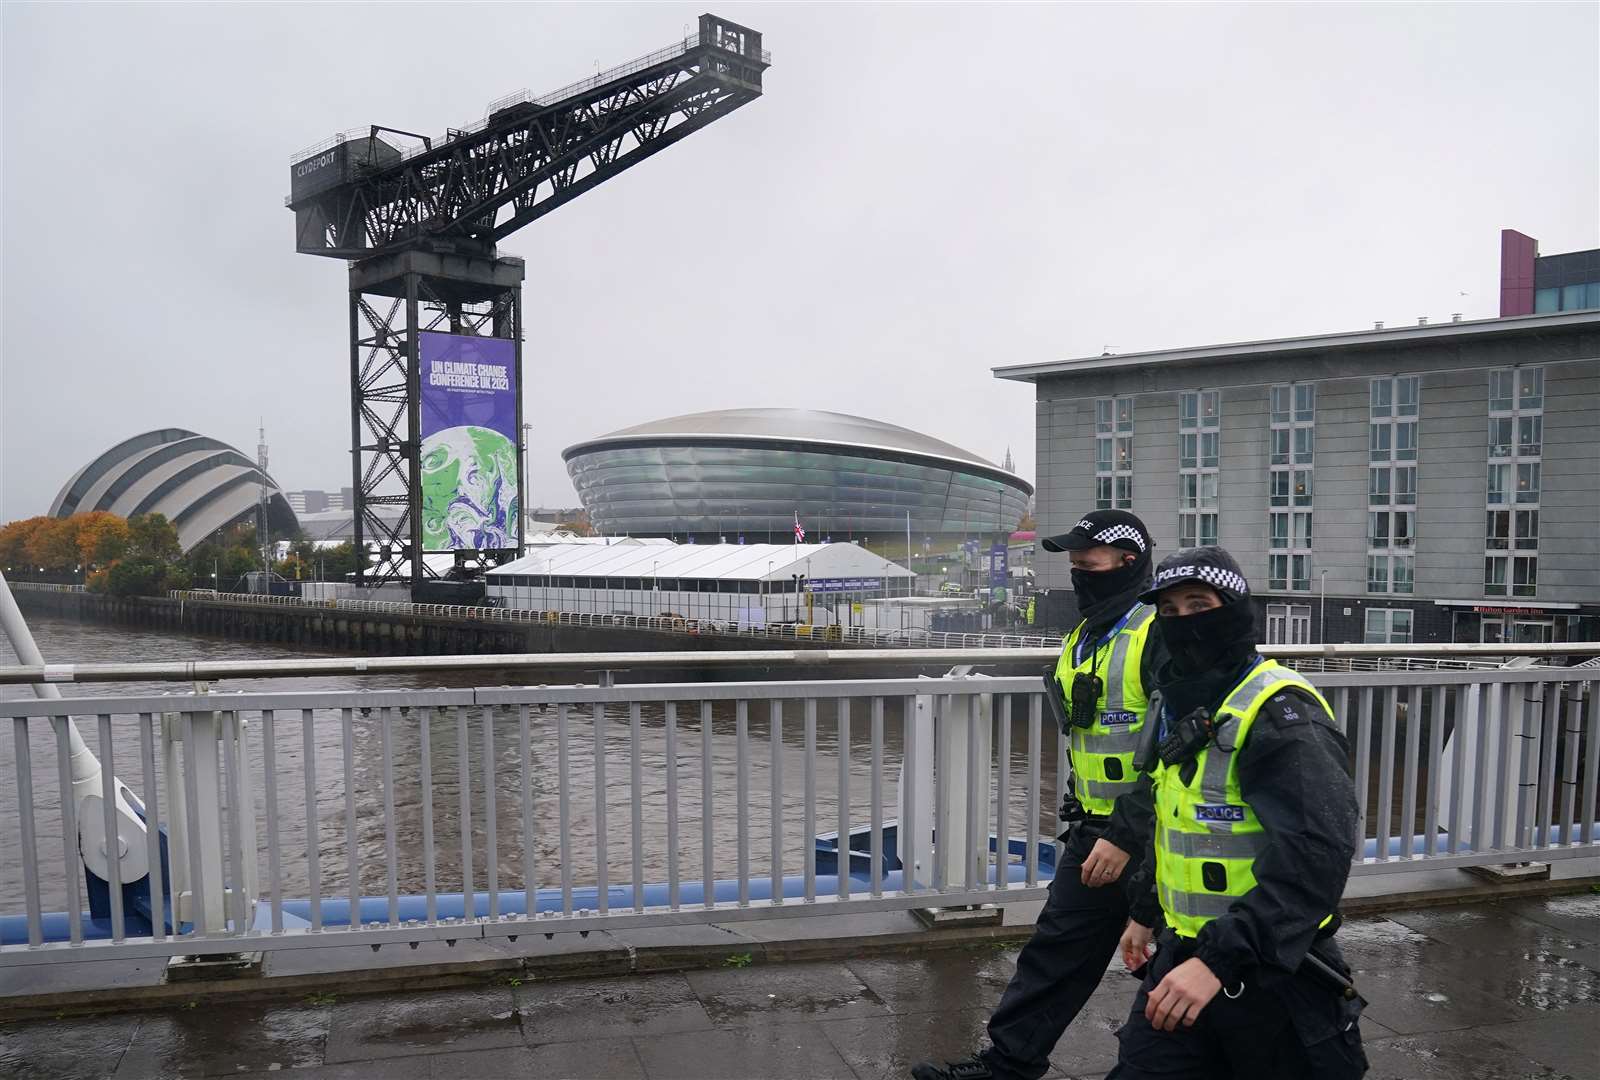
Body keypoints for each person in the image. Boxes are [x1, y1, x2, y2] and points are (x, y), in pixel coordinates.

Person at [914, 510, 1165, 1080]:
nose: (1077, 568)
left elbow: (1179, 755)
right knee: (1055, 953)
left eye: (1088, 558)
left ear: (1128, 561)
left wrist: (1129, 833)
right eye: (1072, 559)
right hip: (1094, 830)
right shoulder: (1085, 635)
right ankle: (1008, 1066)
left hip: (1152, 835)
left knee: (1175, 967)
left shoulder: (1158, 634)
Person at [1107, 546, 1367, 1079]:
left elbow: (1317, 854)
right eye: (1170, 612)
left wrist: (1218, 962)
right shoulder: (1179, 702)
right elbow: (1180, 818)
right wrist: (1145, 909)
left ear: (1236, 609)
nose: (1183, 623)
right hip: (1183, 956)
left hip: (1272, 973)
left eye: (1198, 605)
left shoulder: (1278, 712)